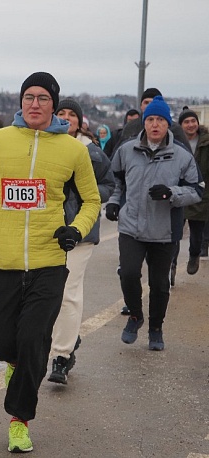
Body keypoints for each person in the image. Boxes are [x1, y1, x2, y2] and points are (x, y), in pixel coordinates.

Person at [0, 72, 101, 453]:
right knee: (0, 341)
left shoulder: (73, 150)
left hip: (49, 262)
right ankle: (14, 362)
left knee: (35, 339)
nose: (34, 104)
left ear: (54, 104)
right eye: (28, 97)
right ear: (20, 102)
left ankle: (19, 420)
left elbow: (91, 200)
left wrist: (75, 228)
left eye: (42, 97)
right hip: (4, 261)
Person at [105, 96, 202, 352]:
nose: (155, 125)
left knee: (159, 284)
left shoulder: (181, 155)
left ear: (167, 124)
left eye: (160, 120)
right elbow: (117, 182)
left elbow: (198, 190)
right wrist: (115, 202)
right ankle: (135, 316)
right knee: (127, 274)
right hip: (131, 227)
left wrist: (171, 193)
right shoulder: (127, 150)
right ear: (144, 123)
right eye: (150, 120)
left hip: (165, 230)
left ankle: (156, 328)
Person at [47, 99, 114, 385]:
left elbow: (109, 186)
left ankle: (61, 357)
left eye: (71, 114)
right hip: (46, 231)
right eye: (60, 113)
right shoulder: (43, 146)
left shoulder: (92, 153)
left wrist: (81, 187)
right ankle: (69, 339)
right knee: (48, 292)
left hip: (81, 232)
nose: (65, 118)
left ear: (79, 121)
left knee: (68, 291)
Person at [177, 108, 209, 275]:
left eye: (193, 121)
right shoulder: (175, 142)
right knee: (174, 234)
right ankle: (172, 265)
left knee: (197, 235)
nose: (190, 125)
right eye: (186, 122)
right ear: (181, 125)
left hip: (201, 194)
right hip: (179, 193)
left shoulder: (206, 142)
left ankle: (194, 255)